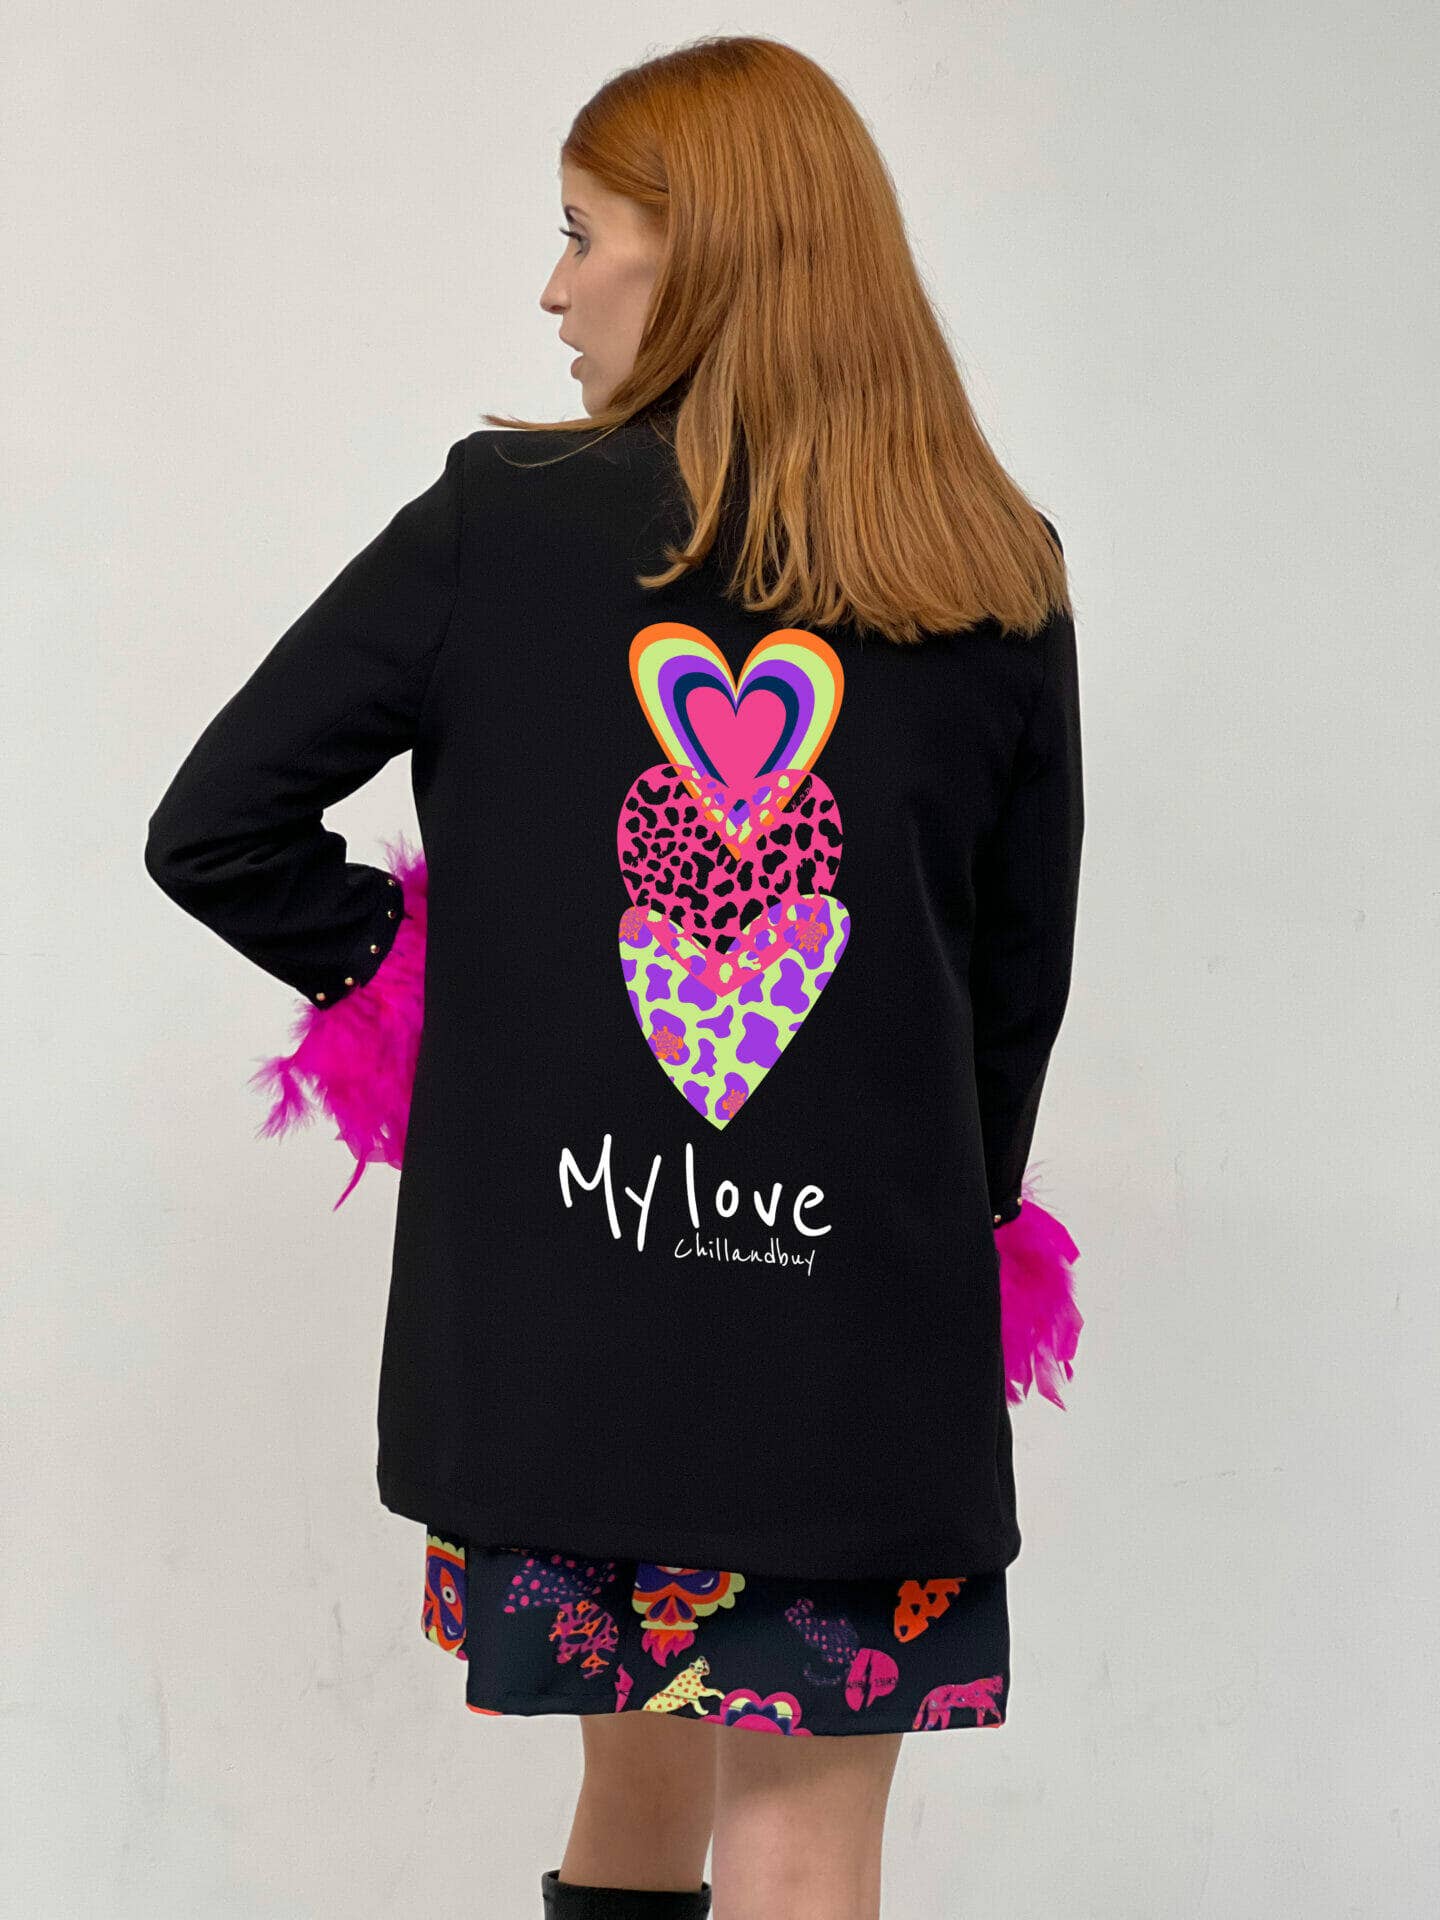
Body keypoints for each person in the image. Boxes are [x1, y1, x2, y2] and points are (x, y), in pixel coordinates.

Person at [144, 33, 1085, 1920]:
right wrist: (934, 1221)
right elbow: (1011, 991)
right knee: (806, 1839)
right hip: (853, 1354)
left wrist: (430, 989)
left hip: (573, 1336)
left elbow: (218, 827)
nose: (552, 288)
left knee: (638, 1801)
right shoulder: (990, 563)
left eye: (582, 234)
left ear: (706, 249)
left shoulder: (500, 526)